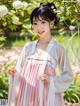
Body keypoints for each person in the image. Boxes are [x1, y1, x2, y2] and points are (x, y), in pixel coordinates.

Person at [8, 2, 73, 106]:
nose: (39, 27)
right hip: (26, 96)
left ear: (51, 23)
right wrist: (14, 72)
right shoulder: (28, 47)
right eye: (35, 23)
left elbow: (68, 75)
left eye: (43, 22)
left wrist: (50, 80)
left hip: (46, 98)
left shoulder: (58, 49)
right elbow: (19, 69)